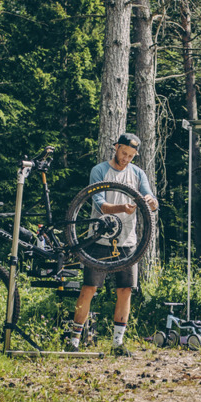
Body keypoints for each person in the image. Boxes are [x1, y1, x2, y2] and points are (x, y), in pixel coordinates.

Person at [67, 133, 158, 356]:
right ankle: (74, 341)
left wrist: (151, 202)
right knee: (89, 288)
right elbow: (100, 205)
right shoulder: (99, 171)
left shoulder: (137, 173)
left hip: (127, 241)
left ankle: (118, 343)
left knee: (125, 290)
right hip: (99, 238)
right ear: (116, 147)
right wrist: (122, 208)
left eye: (131, 156)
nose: (126, 158)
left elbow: (151, 199)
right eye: (124, 153)